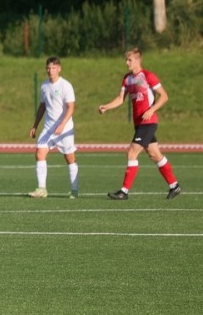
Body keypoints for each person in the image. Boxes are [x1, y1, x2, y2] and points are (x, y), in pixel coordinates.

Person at [98, 47, 182, 200]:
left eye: (129, 60)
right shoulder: (127, 79)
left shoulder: (148, 76)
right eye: (126, 60)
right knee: (155, 154)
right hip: (139, 124)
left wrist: (152, 110)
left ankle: (124, 192)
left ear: (138, 60)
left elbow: (164, 96)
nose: (127, 63)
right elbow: (120, 99)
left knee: (132, 152)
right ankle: (174, 186)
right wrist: (106, 107)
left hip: (148, 122)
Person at [28, 56, 79, 199]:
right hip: (48, 128)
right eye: (48, 68)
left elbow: (71, 107)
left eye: (53, 68)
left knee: (69, 158)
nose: (50, 70)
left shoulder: (65, 85)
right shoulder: (44, 86)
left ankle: (74, 190)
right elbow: (42, 106)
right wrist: (35, 125)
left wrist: (62, 125)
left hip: (65, 128)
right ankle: (41, 189)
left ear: (59, 69)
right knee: (40, 153)